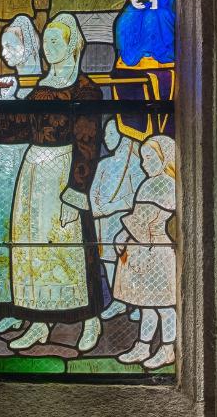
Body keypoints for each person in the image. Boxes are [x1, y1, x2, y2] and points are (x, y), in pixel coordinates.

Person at [4, 13, 104, 353]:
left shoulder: (86, 90)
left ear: (72, 44)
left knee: (73, 250)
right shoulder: (40, 88)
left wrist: (76, 190)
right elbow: (20, 131)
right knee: (33, 249)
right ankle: (38, 322)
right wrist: (5, 100)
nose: (48, 47)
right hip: (33, 174)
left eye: (55, 41)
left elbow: (88, 141)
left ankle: (90, 320)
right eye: (45, 41)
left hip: (65, 173)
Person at [0, 15, 41, 335]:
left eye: (10, 46)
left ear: (29, 47)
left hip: (26, 165)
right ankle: (7, 307)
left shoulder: (41, 87)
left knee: (24, 238)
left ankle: (33, 312)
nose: (4, 54)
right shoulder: (10, 84)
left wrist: (8, 100)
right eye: (2, 47)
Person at [114, 135, 177, 369]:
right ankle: (143, 345)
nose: (144, 164)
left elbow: (146, 221)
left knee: (164, 307)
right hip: (143, 248)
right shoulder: (151, 183)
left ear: (165, 158)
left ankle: (167, 349)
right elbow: (139, 220)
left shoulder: (165, 184)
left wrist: (123, 236)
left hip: (156, 251)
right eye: (142, 158)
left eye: (149, 158)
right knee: (147, 305)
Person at [90, 118, 145, 321]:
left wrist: (112, 207)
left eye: (111, 134)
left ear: (124, 136)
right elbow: (93, 191)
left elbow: (136, 196)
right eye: (105, 134)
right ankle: (118, 300)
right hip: (103, 223)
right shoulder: (104, 164)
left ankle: (138, 302)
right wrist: (96, 208)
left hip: (123, 222)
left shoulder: (136, 164)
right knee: (109, 262)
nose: (106, 138)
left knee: (129, 263)